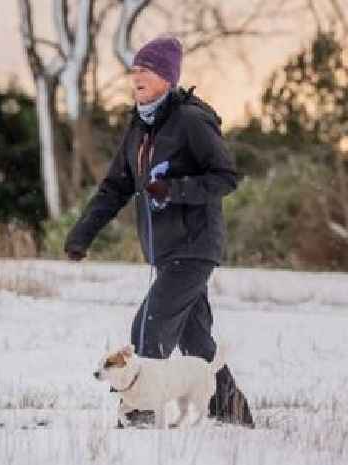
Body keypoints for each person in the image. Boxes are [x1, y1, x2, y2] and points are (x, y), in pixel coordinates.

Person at [64, 36, 253, 427]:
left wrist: (176, 190)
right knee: (197, 342)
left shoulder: (191, 121)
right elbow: (115, 187)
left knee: (147, 326)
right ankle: (233, 413)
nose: (136, 78)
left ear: (167, 77)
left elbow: (225, 178)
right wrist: (82, 234)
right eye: (133, 70)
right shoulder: (138, 129)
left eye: (145, 71)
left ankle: (140, 414)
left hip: (195, 245)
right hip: (165, 252)